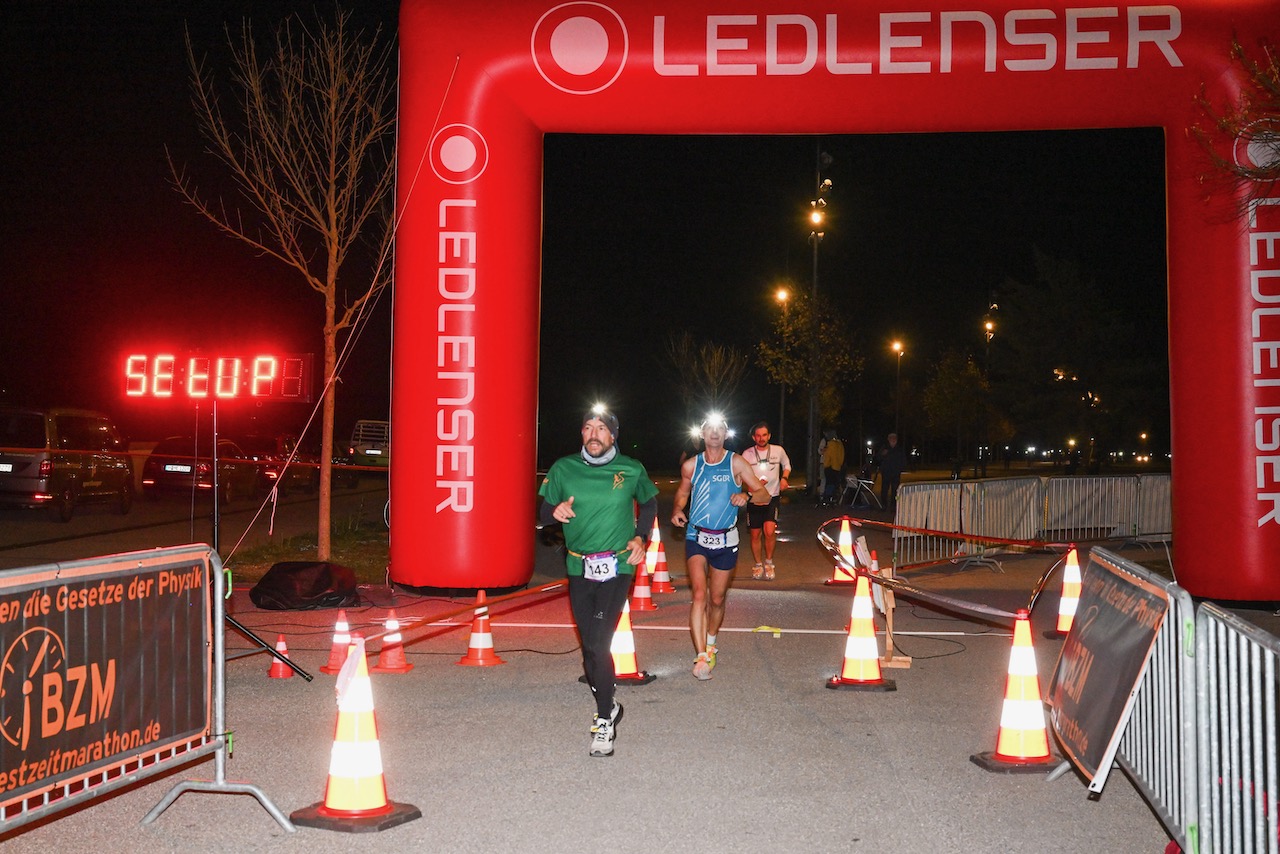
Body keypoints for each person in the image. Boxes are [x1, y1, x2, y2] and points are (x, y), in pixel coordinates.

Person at [539, 408, 659, 757]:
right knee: (590, 648)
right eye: (588, 428)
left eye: (602, 429)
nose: (594, 434)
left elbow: (649, 504)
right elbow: (543, 512)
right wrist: (555, 512)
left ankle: (604, 718)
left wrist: (640, 538)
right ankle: (609, 700)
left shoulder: (631, 468)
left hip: (618, 565)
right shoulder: (564, 468)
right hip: (579, 567)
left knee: (597, 641)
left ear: (613, 435)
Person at [671, 414, 770, 680]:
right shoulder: (692, 466)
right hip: (696, 536)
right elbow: (682, 492)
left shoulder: (736, 462)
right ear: (702, 434)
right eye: (709, 429)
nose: (714, 433)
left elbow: (764, 493)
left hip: (726, 539)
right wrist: (677, 509)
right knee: (700, 594)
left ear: (726, 434)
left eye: (720, 429)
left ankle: (711, 644)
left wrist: (746, 495)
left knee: (716, 599)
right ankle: (701, 655)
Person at [740, 421, 791, 580]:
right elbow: (740, 473)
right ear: (754, 437)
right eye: (758, 436)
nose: (761, 438)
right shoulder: (747, 453)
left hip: (772, 497)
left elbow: (787, 465)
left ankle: (769, 562)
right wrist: (752, 483)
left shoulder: (778, 450)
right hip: (754, 497)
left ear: (769, 436)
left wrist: (784, 478)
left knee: (769, 531)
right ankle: (757, 565)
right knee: (755, 534)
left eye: (764, 435)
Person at [878, 432, 907, 511]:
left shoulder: (899, 449)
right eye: (891, 438)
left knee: (895, 490)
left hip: (895, 473)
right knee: (884, 489)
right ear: (888, 439)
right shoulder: (884, 448)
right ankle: (884, 505)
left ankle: (893, 506)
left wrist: (901, 469)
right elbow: (878, 458)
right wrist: (882, 454)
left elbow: (903, 460)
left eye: (894, 438)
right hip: (886, 472)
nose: (893, 439)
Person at [820, 428, 845, 505]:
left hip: (830, 467)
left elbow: (828, 456)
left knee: (828, 483)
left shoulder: (830, 444)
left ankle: (827, 498)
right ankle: (834, 498)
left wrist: (826, 465)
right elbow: (842, 455)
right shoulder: (840, 444)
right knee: (835, 483)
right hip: (837, 467)